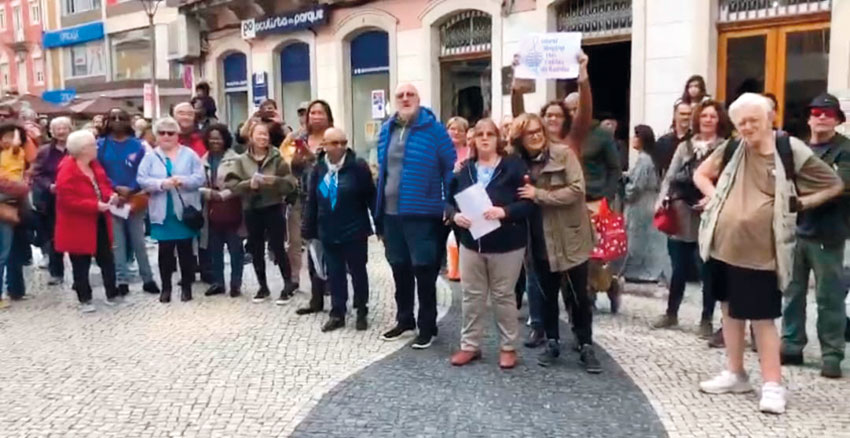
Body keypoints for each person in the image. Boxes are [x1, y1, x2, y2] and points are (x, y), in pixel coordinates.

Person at [694, 93, 843, 415]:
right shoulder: (733, 147)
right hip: (722, 246)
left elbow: (832, 185)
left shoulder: (789, 149)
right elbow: (701, 174)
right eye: (741, 122)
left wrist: (799, 204)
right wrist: (717, 195)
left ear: (769, 119)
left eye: (753, 121)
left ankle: (773, 385)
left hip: (762, 252)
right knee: (730, 311)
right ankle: (735, 374)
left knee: (763, 319)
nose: (747, 127)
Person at [513, 51, 602, 373]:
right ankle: (551, 339)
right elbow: (520, 121)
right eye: (544, 117)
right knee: (545, 294)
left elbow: (576, 190)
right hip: (539, 237)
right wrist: (517, 83)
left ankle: (585, 343)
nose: (547, 123)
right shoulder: (524, 154)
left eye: (555, 116)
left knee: (579, 295)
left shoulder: (568, 147)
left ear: (564, 119)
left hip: (570, 233)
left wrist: (582, 75)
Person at [375, 83, 456, 349]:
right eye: (400, 95)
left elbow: (449, 166)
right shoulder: (386, 130)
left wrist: (447, 202)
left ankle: (427, 325)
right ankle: (405, 319)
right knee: (399, 268)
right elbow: (384, 170)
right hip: (391, 212)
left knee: (424, 270)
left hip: (422, 212)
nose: (405, 98)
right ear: (394, 101)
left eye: (410, 95)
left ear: (419, 100)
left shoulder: (434, 130)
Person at [448, 118, 532, 369]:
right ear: (472, 140)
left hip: (507, 243)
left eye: (490, 134)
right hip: (472, 243)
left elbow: (528, 204)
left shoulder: (514, 167)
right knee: (471, 296)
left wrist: (504, 212)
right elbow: (448, 201)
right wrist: (454, 216)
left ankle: (508, 347)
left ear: (498, 139)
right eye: (480, 134)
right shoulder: (465, 169)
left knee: (503, 296)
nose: (485, 138)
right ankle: (469, 345)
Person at [781, 93, 850, 378]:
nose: (822, 117)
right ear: (809, 118)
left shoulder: (845, 150)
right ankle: (791, 344)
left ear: (837, 119)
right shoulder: (799, 149)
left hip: (829, 232)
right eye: (817, 113)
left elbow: (841, 185)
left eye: (828, 113)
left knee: (828, 296)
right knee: (792, 291)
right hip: (797, 230)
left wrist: (802, 197)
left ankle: (831, 354)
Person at [652, 100, 732, 334]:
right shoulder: (685, 147)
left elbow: (728, 179)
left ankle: (706, 319)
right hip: (681, 211)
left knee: (707, 268)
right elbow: (670, 175)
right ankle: (671, 313)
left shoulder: (726, 148)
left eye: (713, 116)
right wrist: (661, 199)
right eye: (704, 116)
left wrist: (711, 198)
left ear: (719, 120)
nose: (708, 120)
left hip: (709, 213)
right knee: (678, 267)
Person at [302, 127, 375, 332]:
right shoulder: (319, 169)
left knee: (358, 272)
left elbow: (370, 196)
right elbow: (313, 200)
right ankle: (337, 313)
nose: (341, 147)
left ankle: (361, 310)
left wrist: (378, 225)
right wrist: (308, 229)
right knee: (334, 273)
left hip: (354, 230)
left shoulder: (358, 167)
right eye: (335, 143)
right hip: (328, 230)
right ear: (324, 145)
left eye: (344, 142)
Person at [223, 122, 297, 304]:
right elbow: (231, 184)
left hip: (273, 206)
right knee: (256, 248)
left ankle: (288, 284)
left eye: (265, 135)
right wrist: (249, 184)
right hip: (251, 208)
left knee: (278, 246)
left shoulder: (277, 157)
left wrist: (275, 181)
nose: (263, 138)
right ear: (251, 136)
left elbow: (290, 183)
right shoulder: (241, 160)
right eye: (259, 134)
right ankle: (262, 286)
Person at [138, 117, 205, 303]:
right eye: (162, 133)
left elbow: (200, 178)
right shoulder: (150, 157)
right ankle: (166, 288)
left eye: (171, 133)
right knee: (165, 252)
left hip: (184, 211)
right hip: (161, 212)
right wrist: (161, 184)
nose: (166, 136)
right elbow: (142, 180)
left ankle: (187, 287)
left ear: (177, 135)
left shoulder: (190, 154)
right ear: (156, 135)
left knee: (185, 251)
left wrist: (183, 180)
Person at [54, 130, 119, 313]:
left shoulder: (94, 164)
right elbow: (67, 200)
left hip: (99, 219)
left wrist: (110, 195)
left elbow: (103, 183)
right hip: (77, 224)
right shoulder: (67, 169)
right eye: (92, 145)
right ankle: (85, 299)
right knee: (80, 263)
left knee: (106, 258)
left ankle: (112, 293)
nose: (96, 147)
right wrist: (94, 205)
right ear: (83, 149)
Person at [98, 108, 160, 296]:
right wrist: (115, 188)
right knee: (117, 242)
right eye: (113, 118)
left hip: (136, 197)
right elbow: (99, 171)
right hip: (112, 198)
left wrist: (132, 187)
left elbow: (147, 170)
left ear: (129, 121)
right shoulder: (100, 145)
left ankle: (147, 278)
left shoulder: (140, 145)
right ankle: (121, 280)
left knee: (138, 241)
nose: (117, 121)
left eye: (121, 118)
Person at [284, 100, 333, 316]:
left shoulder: (333, 136)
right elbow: (287, 165)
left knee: (331, 245)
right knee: (311, 246)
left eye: (320, 113)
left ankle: (336, 291)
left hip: (329, 198)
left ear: (328, 116)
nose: (315, 116)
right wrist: (296, 160)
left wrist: (320, 157)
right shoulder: (299, 139)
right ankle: (316, 297)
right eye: (312, 113)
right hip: (303, 198)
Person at [199, 124, 244, 298]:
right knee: (214, 248)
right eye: (211, 138)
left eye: (218, 137)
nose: (215, 141)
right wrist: (208, 193)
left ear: (225, 139)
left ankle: (235, 283)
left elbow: (241, 183)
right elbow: (197, 184)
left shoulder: (236, 159)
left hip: (232, 207)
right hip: (210, 209)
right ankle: (218, 282)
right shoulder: (202, 160)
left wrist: (224, 194)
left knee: (235, 248)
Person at [622, 125, 669, 282]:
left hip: (641, 202)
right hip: (648, 200)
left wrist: (625, 193)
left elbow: (637, 186)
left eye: (636, 136)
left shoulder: (644, 160)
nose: (633, 139)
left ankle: (640, 271)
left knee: (637, 236)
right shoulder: (649, 158)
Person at [31, 117, 72, 286]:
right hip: (52, 200)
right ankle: (57, 272)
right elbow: (37, 174)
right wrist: (50, 186)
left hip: (74, 198)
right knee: (54, 237)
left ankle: (80, 274)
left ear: (71, 129)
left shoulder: (77, 148)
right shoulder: (44, 151)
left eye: (64, 128)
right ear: (51, 131)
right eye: (58, 128)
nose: (61, 131)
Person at [0, 122, 30, 309]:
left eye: (14, 136)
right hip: (6, 205)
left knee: (9, 251)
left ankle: (14, 289)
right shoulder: (9, 154)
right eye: (7, 136)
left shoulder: (17, 155)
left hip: (12, 205)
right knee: (3, 253)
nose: (11, 140)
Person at [655, 102, 693, 178]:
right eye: (682, 114)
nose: (686, 117)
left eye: (689, 114)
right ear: (675, 115)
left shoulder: (696, 141)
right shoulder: (663, 142)